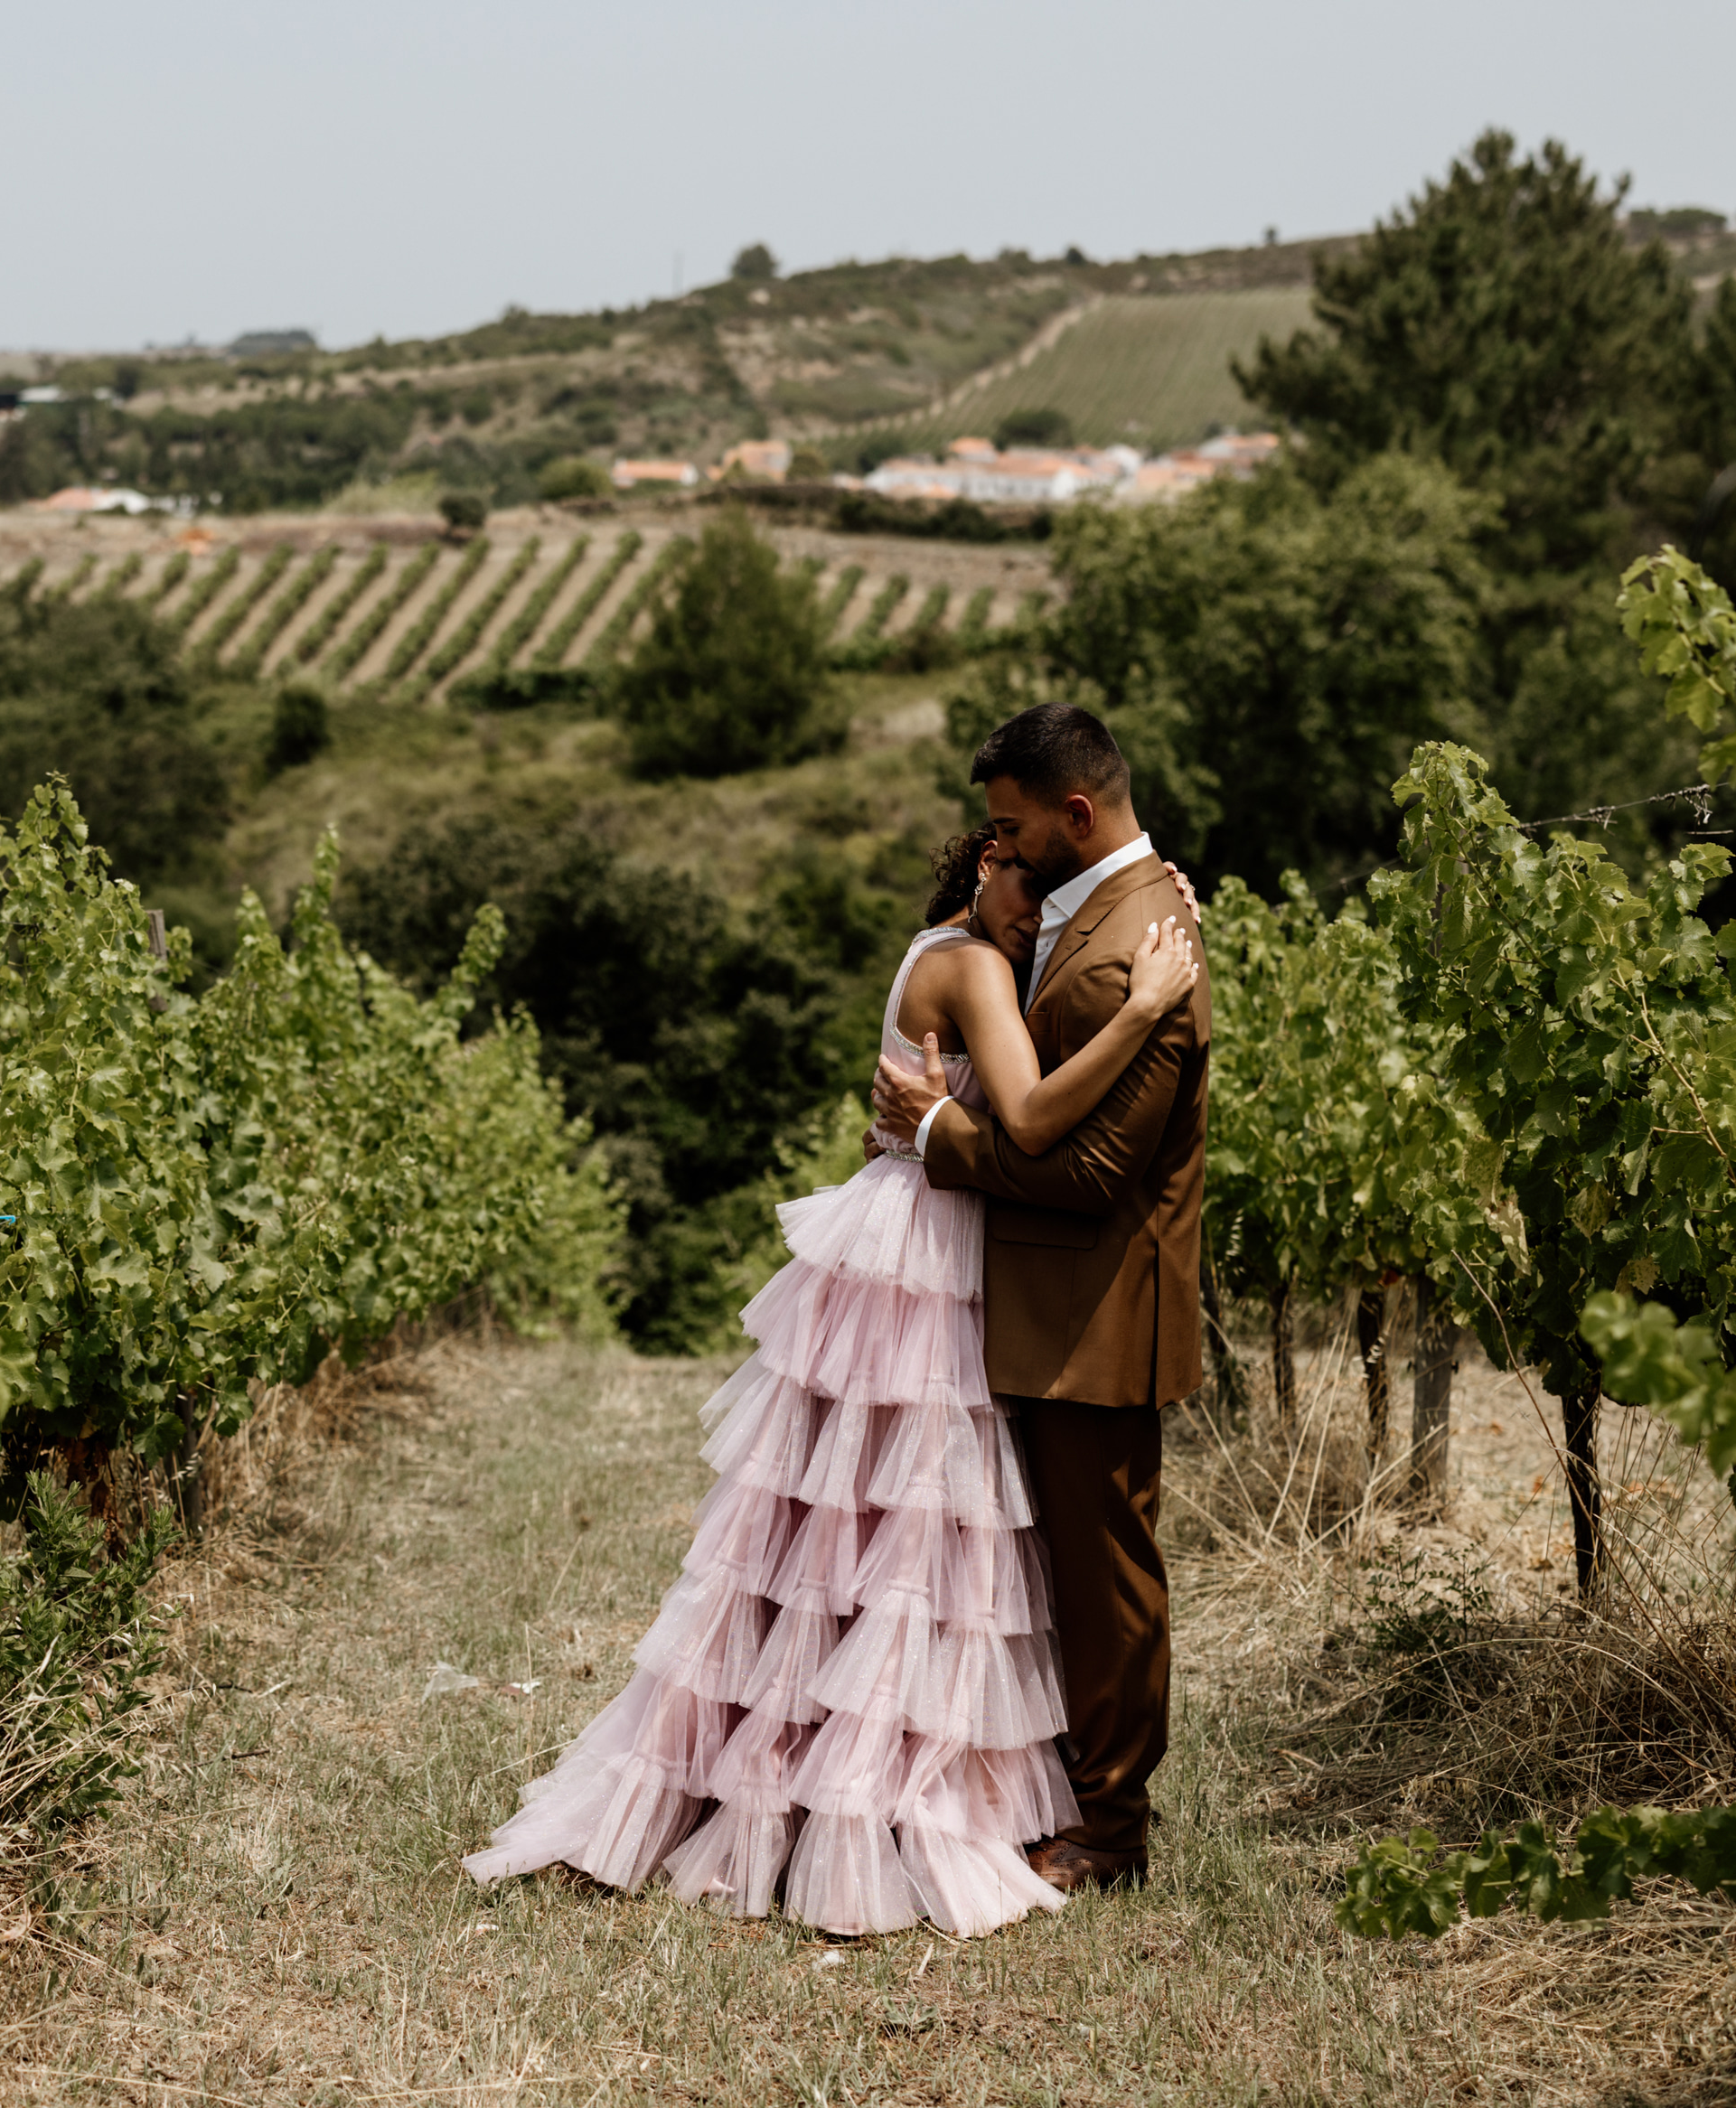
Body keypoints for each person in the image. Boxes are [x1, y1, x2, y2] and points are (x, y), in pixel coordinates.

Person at [459, 810, 1199, 1938]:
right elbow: (1039, 1117)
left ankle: (799, 1756)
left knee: (838, 1523)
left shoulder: (936, 950)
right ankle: (879, 1779)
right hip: (938, 1243)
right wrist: (1144, 1007)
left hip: (892, 1230)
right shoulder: (973, 966)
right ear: (990, 860)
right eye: (1022, 882)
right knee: (912, 1530)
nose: (1035, 907)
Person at [871, 700, 1210, 1898]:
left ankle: (1111, 1834)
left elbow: (1091, 1170)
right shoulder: (1115, 907)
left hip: (1099, 1313)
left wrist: (945, 1136)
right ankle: (1064, 1792)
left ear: (1078, 813)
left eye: (1011, 831)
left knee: (1105, 1576)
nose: (995, 850)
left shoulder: (1136, 944)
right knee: (1065, 1571)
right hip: (1057, 1307)